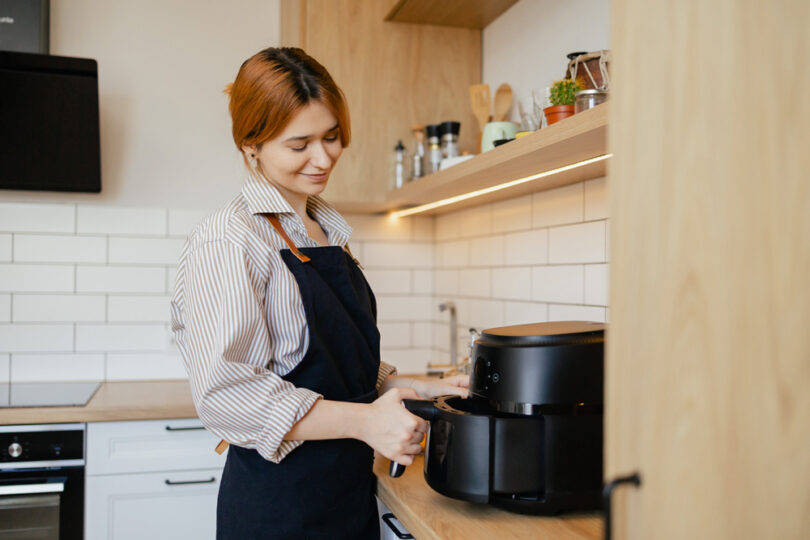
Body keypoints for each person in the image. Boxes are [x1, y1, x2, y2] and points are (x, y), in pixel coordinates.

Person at [169, 47, 468, 540]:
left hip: (343, 495)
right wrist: (367, 423)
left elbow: (336, 368)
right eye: (300, 143)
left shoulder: (325, 229)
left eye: (332, 137)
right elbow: (227, 395)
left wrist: (414, 387)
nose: (324, 157)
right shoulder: (230, 239)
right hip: (281, 508)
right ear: (251, 146)